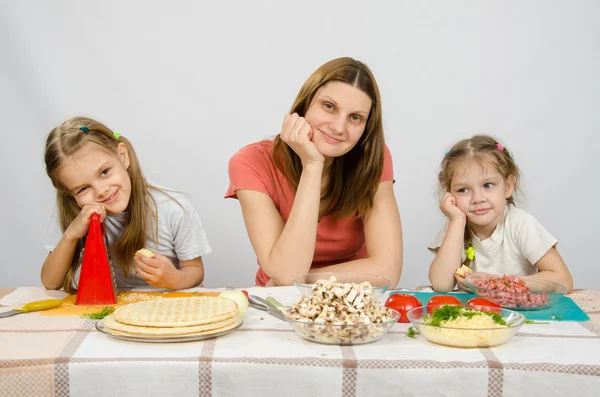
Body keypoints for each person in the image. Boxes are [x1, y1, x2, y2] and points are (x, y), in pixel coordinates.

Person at [225, 57, 403, 287]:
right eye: (329, 106)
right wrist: (312, 165)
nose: (339, 128)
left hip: (351, 296)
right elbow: (287, 271)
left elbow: (387, 271)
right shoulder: (251, 162)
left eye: (355, 118)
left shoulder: (372, 158)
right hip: (278, 301)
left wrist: (305, 279)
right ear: (304, 104)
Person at [42, 116, 211, 292]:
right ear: (69, 193)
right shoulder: (76, 216)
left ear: (123, 156)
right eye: (83, 188)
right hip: (111, 311)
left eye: (104, 172)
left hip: (166, 308)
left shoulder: (172, 208)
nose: (101, 190)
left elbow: (195, 271)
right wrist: (71, 235)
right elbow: (51, 283)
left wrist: (174, 279)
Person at [428, 135, 573, 292]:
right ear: (450, 195)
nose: (477, 199)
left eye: (488, 185)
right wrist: (456, 221)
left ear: (508, 186)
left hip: (520, 313)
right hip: (476, 312)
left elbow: (563, 280)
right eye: (463, 190)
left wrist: (496, 282)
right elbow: (441, 285)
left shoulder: (520, 223)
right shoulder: (457, 225)